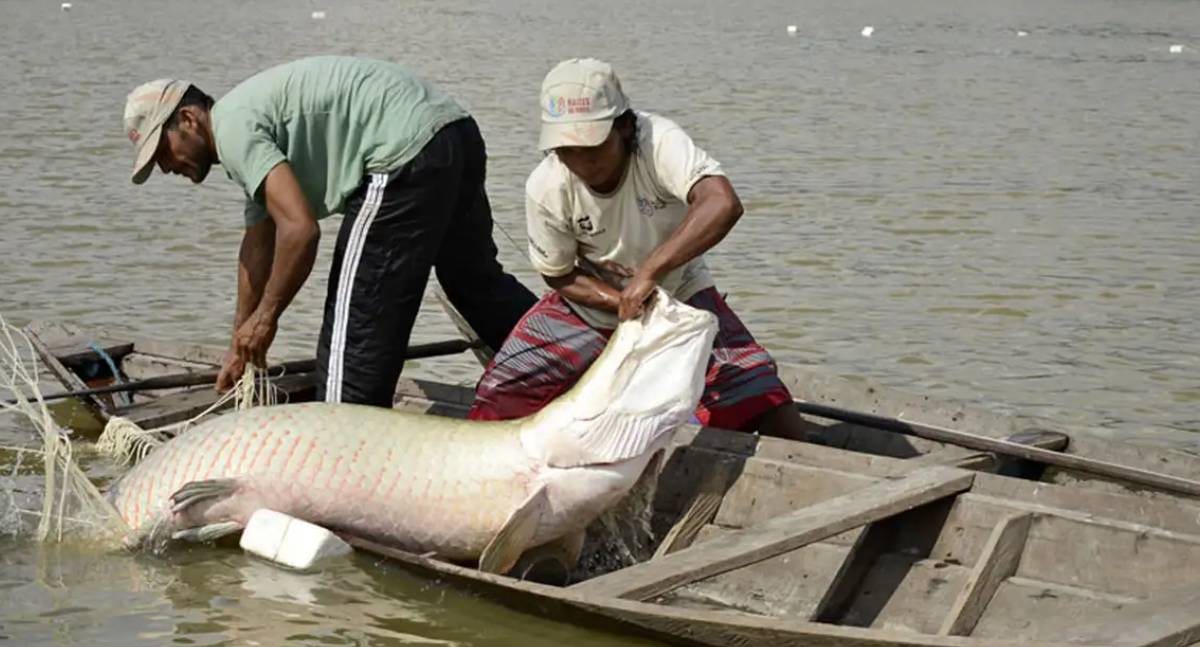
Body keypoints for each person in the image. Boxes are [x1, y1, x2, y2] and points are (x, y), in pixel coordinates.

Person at [123, 55, 536, 406]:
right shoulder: (244, 122)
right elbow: (258, 242)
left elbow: (300, 231)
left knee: (353, 340)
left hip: (402, 154)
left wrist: (266, 319)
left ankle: (346, 458)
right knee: (475, 283)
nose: (166, 167)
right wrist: (239, 342)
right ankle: (571, 361)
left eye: (163, 151)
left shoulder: (233, 131)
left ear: (189, 119)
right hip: (454, 132)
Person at [466, 58, 806, 439]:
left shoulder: (658, 141)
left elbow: (721, 202)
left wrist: (649, 274)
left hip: (678, 294)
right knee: (499, 396)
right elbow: (558, 274)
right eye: (566, 149)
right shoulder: (546, 185)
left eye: (592, 146)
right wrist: (620, 301)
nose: (580, 162)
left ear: (625, 128)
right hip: (589, 303)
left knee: (761, 398)